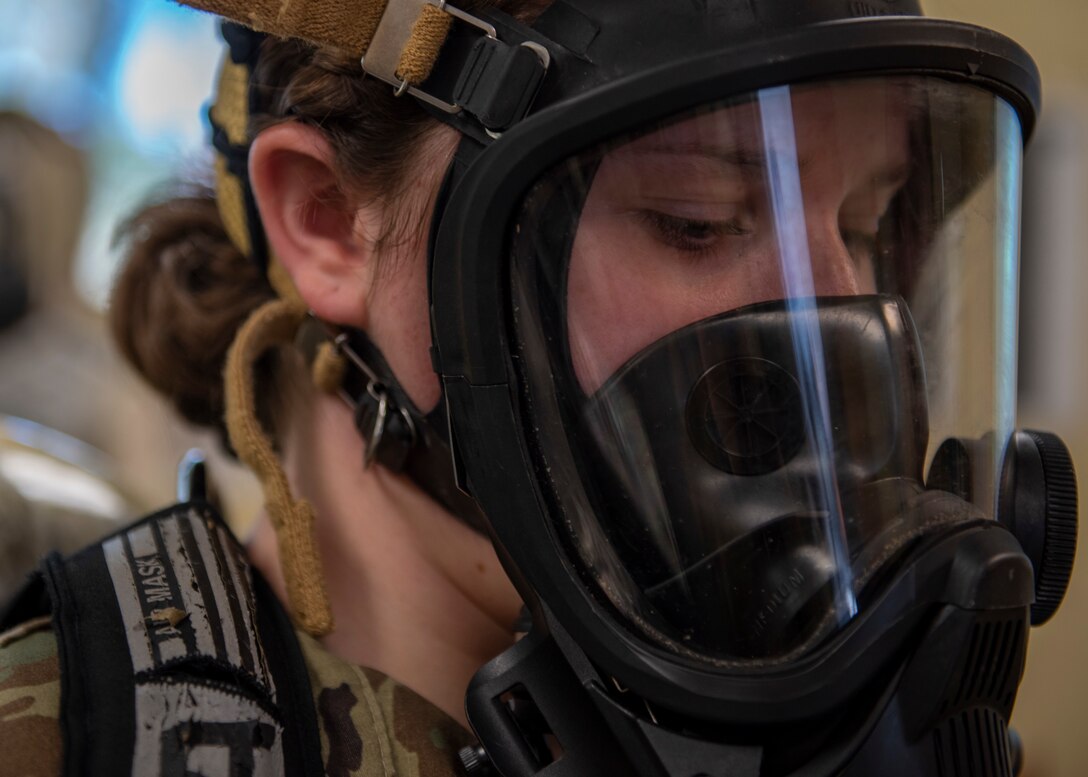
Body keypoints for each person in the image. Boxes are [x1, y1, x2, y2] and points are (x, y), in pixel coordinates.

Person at [0, 1, 1079, 775]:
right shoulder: (57, 734)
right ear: (328, 221)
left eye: (866, 226)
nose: (835, 334)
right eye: (694, 222)